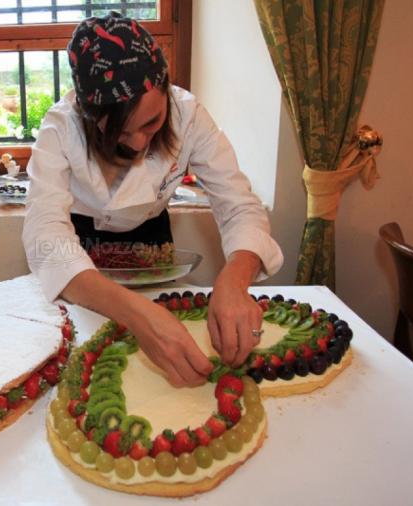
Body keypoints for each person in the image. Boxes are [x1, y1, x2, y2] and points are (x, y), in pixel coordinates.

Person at [22, 12, 283, 387]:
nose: (138, 143)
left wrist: (233, 281)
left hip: (151, 240)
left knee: (159, 374)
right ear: (89, 115)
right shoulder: (60, 128)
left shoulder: (191, 117)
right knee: (90, 368)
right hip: (78, 255)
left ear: (165, 87)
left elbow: (239, 205)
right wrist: (137, 315)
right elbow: (45, 235)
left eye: (151, 123)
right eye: (119, 132)